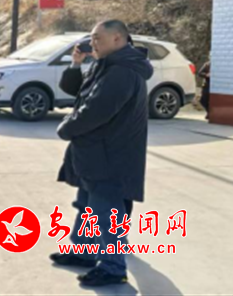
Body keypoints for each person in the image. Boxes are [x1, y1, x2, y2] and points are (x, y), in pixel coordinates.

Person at [49, 20, 153, 287]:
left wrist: (66, 128)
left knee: (107, 213)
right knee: (87, 206)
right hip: (96, 153)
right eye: (92, 38)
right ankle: (84, 252)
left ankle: (113, 268)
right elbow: (77, 91)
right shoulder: (106, 64)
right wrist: (76, 64)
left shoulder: (122, 72)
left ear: (117, 39)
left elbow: (95, 110)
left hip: (110, 156)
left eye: (98, 38)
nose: (92, 43)